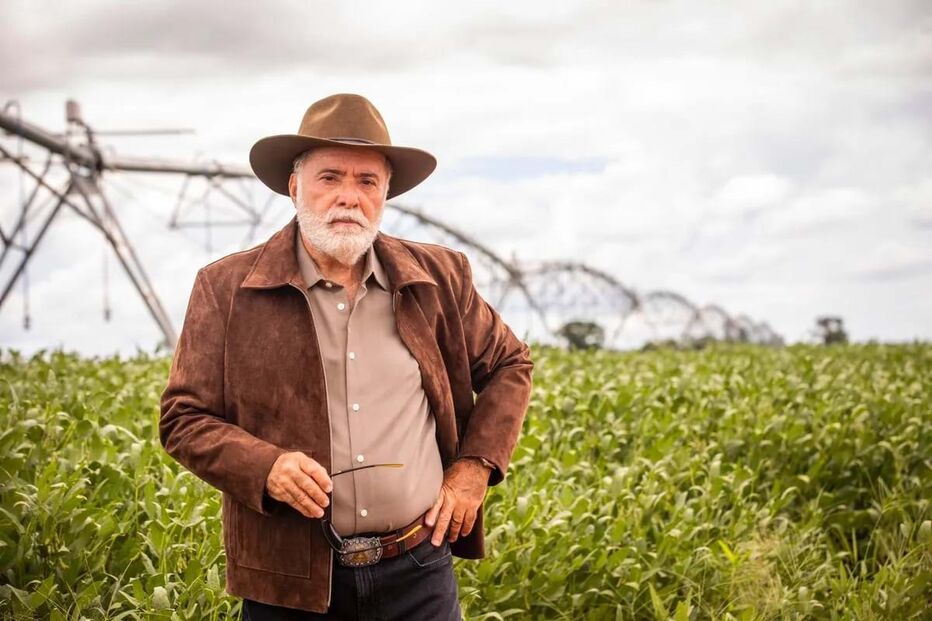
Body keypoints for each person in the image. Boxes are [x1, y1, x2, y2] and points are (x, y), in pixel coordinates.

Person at [158, 93, 534, 619]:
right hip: (290, 583)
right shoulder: (226, 288)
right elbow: (183, 419)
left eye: (367, 182)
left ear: (385, 195)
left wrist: (475, 467)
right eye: (329, 177)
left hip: (418, 571)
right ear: (295, 187)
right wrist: (266, 467)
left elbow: (511, 365)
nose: (349, 198)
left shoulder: (441, 278)